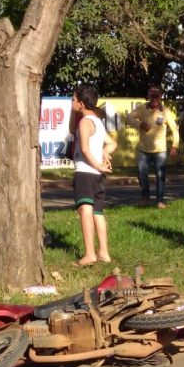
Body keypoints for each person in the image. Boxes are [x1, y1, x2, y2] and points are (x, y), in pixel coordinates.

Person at [70, 84, 117, 266]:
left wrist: (97, 164)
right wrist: (103, 154)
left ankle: (90, 254)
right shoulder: (97, 121)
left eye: (73, 100)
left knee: (85, 211)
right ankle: (104, 253)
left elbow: (84, 148)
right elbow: (111, 143)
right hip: (97, 176)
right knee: (98, 212)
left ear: (81, 103)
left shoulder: (84, 122)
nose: (71, 103)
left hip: (85, 172)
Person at [127, 86, 179, 208]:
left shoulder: (165, 111)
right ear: (148, 96)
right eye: (152, 96)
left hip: (160, 150)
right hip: (144, 149)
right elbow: (128, 118)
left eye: (157, 96)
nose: (154, 98)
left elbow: (175, 130)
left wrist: (175, 146)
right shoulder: (142, 108)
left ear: (160, 97)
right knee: (141, 173)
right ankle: (145, 197)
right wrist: (140, 124)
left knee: (160, 175)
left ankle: (160, 201)